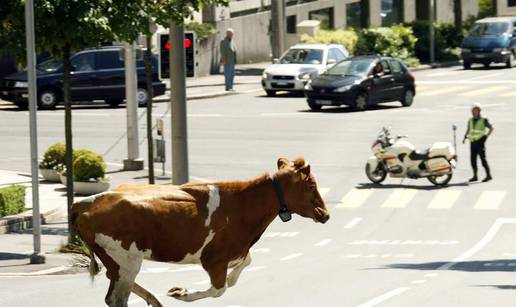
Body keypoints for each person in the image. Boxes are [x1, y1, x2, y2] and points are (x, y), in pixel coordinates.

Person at [462, 103, 494, 182]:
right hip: (473, 142)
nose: (475, 111)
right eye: (474, 110)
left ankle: (488, 175)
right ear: (472, 111)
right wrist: (465, 137)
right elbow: (469, 129)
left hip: (480, 142)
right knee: (473, 160)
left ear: (479, 111)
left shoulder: (483, 119)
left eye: (477, 110)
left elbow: (491, 128)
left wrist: (486, 136)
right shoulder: (470, 120)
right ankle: (475, 176)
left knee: (483, 160)